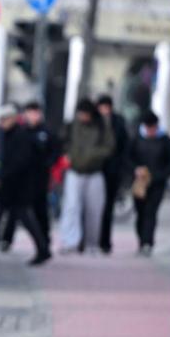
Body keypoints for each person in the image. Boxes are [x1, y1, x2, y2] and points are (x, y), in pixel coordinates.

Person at [0, 104, 51, 265]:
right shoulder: (3, 134)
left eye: (5, 119)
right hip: (7, 187)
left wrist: (2, 177)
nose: (2, 122)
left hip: (17, 187)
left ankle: (43, 250)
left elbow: (20, 163)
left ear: (13, 119)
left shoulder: (21, 136)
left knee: (25, 220)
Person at [0, 101, 60, 250]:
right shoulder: (22, 131)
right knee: (16, 211)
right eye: (29, 113)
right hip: (23, 178)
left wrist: (47, 164)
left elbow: (55, 152)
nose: (32, 116)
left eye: (35, 113)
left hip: (40, 177)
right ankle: (7, 239)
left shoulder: (46, 132)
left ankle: (44, 242)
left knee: (39, 210)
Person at [58, 98, 114, 254]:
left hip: (94, 172)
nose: (82, 117)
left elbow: (109, 147)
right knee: (71, 207)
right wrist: (69, 155)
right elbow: (63, 142)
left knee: (94, 209)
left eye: (85, 115)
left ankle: (92, 244)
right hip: (74, 171)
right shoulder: (72, 125)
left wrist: (92, 156)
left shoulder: (102, 126)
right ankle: (70, 242)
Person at [128, 110, 170, 256]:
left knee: (151, 212)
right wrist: (135, 169)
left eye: (153, 128)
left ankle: (148, 242)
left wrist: (161, 175)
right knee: (140, 212)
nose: (151, 131)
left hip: (157, 183)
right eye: (148, 128)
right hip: (140, 183)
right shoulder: (136, 139)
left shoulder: (165, 140)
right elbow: (127, 158)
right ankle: (141, 240)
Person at [96, 94, 130, 254]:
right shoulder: (93, 122)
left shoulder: (118, 122)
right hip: (94, 169)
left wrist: (121, 167)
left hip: (113, 171)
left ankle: (105, 242)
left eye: (106, 107)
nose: (103, 110)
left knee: (107, 207)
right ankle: (89, 240)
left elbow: (125, 146)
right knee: (91, 207)